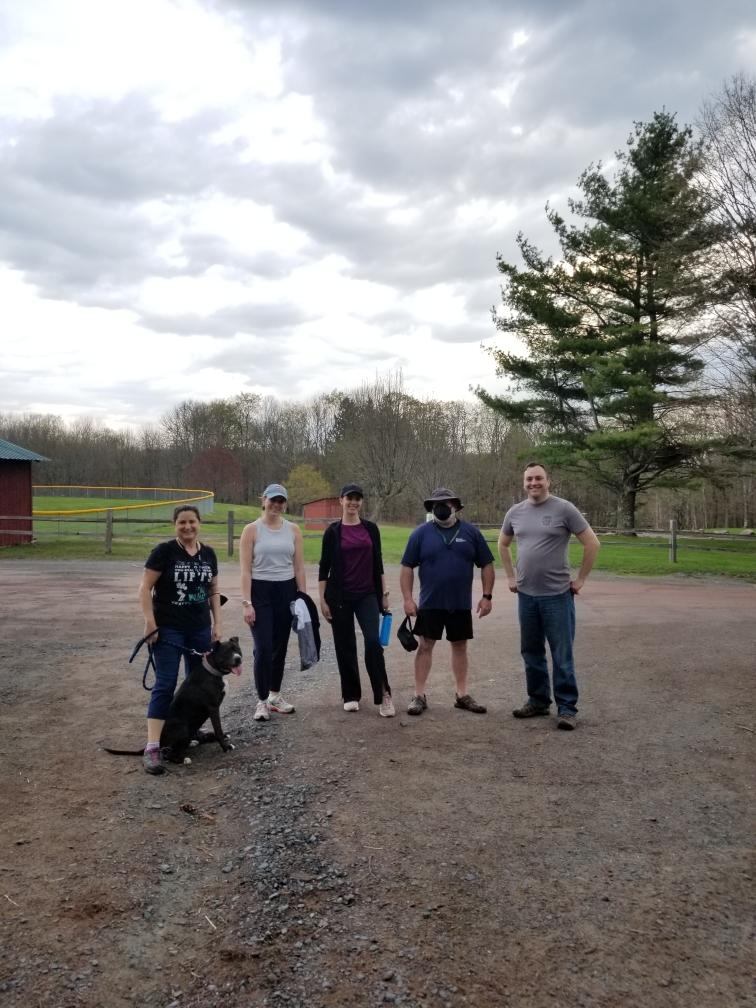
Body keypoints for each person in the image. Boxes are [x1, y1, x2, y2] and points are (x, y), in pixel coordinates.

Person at [498, 462, 601, 731]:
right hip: (527, 596)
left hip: (557, 596)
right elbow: (503, 543)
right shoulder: (515, 512)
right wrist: (510, 576)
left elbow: (592, 542)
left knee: (561, 653)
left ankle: (567, 708)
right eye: (529, 479)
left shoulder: (564, 509)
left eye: (539, 478)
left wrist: (580, 579)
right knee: (531, 651)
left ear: (548, 481)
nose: (534, 483)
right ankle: (538, 700)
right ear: (524, 483)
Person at [138, 505, 223, 775]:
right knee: (165, 683)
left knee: (198, 683)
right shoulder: (164, 552)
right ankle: (153, 746)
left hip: (199, 627)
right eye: (182, 523)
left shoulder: (208, 554)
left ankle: (190, 731)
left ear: (200, 523)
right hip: (169, 629)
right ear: (175, 525)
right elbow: (145, 587)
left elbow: (213, 590)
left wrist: (217, 623)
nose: (187, 527)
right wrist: (150, 623)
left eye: (192, 522)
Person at [400, 487, 495, 716]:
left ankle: (462, 695)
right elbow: (406, 567)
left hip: (460, 604)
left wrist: (487, 596)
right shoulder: (420, 534)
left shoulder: (471, 533)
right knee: (425, 647)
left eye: (445, 503)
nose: (440, 508)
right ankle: (419, 695)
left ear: (456, 506)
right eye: (436, 504)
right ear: (432, 508)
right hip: (430, 603)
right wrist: (407, 599)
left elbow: (487, 564)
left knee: (460, 647)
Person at [318, 483, 395, 717]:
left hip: (367, 594)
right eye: (349, 498)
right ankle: (350, 694)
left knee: (373, 642)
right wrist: (322, 600)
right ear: (341, 500)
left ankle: (384, 694)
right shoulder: (332, 532)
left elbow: (378, 562)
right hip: (339, 596)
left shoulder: (371, 529)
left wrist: (383, 592)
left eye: (357, 499)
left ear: (361, 502)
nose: (353, 503)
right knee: (345, 645)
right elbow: (324, 568)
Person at [239, 484, 306, 722]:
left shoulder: (293, 530)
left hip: (286, 591)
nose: (277, 505)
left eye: (281, 501)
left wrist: (302, 599)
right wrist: (247, 603)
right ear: (264, 500)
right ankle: (261, 700)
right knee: (264, 648)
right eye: (273, 500)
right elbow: (245, 571)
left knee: (280, 647)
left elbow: (298, 567)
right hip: (260, 592)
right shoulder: (251, 530)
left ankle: (275, 695)